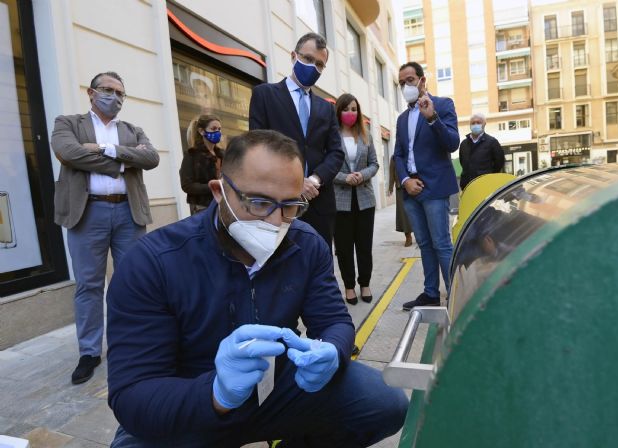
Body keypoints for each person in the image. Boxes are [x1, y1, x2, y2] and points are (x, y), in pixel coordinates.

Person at [107, 130, 408, 447]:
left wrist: (332, 351)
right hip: (189, 398)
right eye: (259, 202)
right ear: (219, 191)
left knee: (384, 402)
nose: (276, 222)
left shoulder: (306, 245)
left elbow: (333, 320)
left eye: (290, 205)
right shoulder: (153, 262)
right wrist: (216, 394)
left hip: (277, 386)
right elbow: (132, 394)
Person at [50, 71, 159, 384]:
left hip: (128, 212)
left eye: (120, 93)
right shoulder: (68, 123)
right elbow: (68, 153)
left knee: (133, 282)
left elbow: (151, 158)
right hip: (87, 213)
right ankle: (89, 351)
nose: (115, 97)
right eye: (108, 90)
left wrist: (105, 149)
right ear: (91, 92)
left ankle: (132, 343)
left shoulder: (132, 130)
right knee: (89, 285)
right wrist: (125, 162)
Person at [249, 33, 344, 249]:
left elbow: (336, 152)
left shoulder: (327, 108)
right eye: (308, 59)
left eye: (319, 64)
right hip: (277, 203)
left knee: (319, 263)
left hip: (319, 202)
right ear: (293, 56)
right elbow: (258, 147)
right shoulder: (264, 95)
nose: (313, 67)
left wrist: (315, 180)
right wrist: (295, 182)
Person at [393, 62, 460, 311]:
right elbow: (398, 155)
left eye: (410, 80)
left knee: (441, 243)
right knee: (424, 244)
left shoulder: (443, 105)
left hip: (435, 188)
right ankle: (431, 293)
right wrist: (405, 180)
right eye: (401, 83)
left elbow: (452, 143)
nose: (406, 86)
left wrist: (432, 118)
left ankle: (456, 295)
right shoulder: (401, 119)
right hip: (411, 190)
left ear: (422, 80)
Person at [332, 94, 379, 305]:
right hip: (340, 201)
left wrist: (362, 175)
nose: (350, 113)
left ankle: (365, 284)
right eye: (346, 109)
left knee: (364, 246)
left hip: (365, 200)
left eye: (354, 109)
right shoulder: (331, 136)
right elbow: (326, 167)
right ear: (338, 111)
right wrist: (344, 177)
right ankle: (349, 287)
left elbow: (374, 164)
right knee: (343, 248)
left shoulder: (365, 134)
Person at [179, 115, 225, 214]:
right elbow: (187, 185)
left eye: (219, 129)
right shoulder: (192, 155)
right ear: (201, 131)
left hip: (224, 205)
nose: (217, 132)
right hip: (203, 208)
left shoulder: (222, 155)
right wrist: (213, 186)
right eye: (213, 129)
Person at [458, 112, 505, 191]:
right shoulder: (464, 144)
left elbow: (499, 163)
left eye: (478, 122)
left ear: (484, 124)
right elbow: (462, 162)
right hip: (467, 187)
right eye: (473, 123)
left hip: (485, 186)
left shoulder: (492, 142)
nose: (475, 125)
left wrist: (488, 176)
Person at [388, 157, 413, 247]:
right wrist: (390, 187)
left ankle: (421, 235)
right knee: (403, 214)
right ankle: (408, 236)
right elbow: (391, 172)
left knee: (417, 211)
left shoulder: (412, 152)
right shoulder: (394, 157)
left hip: (414, 185)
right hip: (400, 188)